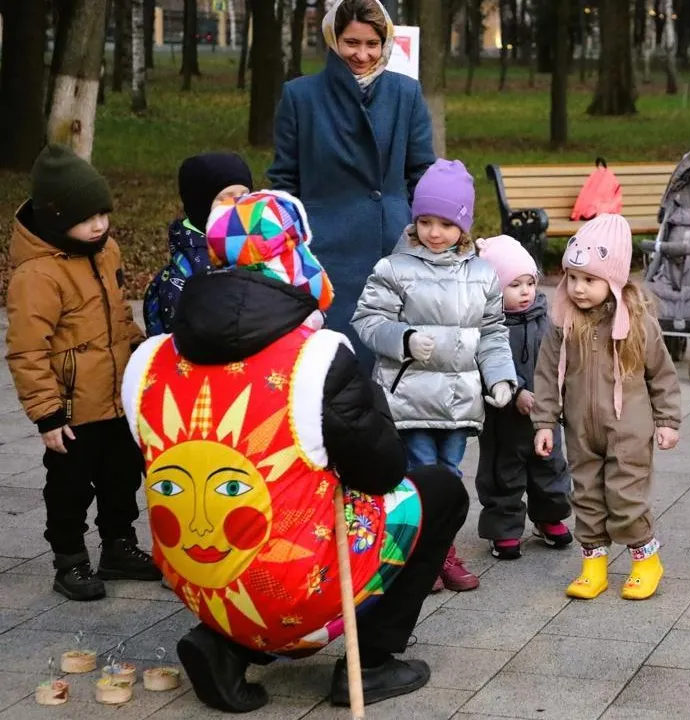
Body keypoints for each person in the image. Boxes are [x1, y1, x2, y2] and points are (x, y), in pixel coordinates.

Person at [122, 190, 468, 711]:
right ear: (295, 258)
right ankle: (372, 660)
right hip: (293, 593)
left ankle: (224, 643)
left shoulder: (147, 361)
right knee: (440, 490)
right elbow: (382, 472)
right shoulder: (317, 358)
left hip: (204, 583)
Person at [352, 159, 517, 592]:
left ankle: (437, 549)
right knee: (422, 472)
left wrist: (500, 377)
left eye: (445, 223)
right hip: (409, 395)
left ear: (463, 225)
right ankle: (428, 555)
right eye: (424, 221)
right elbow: (367, 319)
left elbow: (494, 331)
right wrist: (403, 338)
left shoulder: (482, 275)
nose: (434, 232)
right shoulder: (393, 268)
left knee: (449, 476)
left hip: (459, 399)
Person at [5, 144, 159, 602]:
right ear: (55, 218)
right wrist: (47, 414)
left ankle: (118, 545)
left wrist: (141, 356)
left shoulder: (105, 251)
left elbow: (120, 317)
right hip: (71, 410)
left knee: (122, 477)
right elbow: (27, 350)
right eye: (86, 217)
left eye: (102, 214)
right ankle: (69, 559)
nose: (99, 225)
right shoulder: (36, 276)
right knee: (69, 487)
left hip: (116, 400)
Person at [268, 0, 435, 369]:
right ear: (333, 39)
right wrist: (290, 244)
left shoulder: (405, 93)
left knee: (392, 364)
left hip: (393, 245)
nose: (362, 54)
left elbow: (422, 171)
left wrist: (424, 230)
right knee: (334, 363)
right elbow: (284, 179)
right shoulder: (301, 95)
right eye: (351, 43)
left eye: (372, 44)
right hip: (325, 251)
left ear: (385, 43)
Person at [532, 214, 682, 601]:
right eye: (573, 278)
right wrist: (545, 422)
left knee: (625, 496)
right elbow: (548, 375)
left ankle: (645, 561)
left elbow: (661, 374)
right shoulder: (562, 322)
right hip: (580, 429)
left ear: (614, 280)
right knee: (585, 495)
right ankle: (593, 565)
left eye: (590, 280)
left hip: (629, 429)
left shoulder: (638, 323)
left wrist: (667, 419)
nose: (578, 289)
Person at [474, 234, 573, 560]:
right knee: (504, 471)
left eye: (529, 283)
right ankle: (503, 528)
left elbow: (561, 358)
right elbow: (484, 364)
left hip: (545, 412)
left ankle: (549, 516)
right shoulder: (489, 325)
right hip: (505, 417)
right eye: (514, 285)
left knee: (550, 465)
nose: (526, 291)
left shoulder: (547, 318)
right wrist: (513, 390)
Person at [144, 153, 253, 336]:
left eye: (245, 195)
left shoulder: (256, 244)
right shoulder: (188, 268)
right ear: (200, 204)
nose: (237, 204)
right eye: (226, 198)